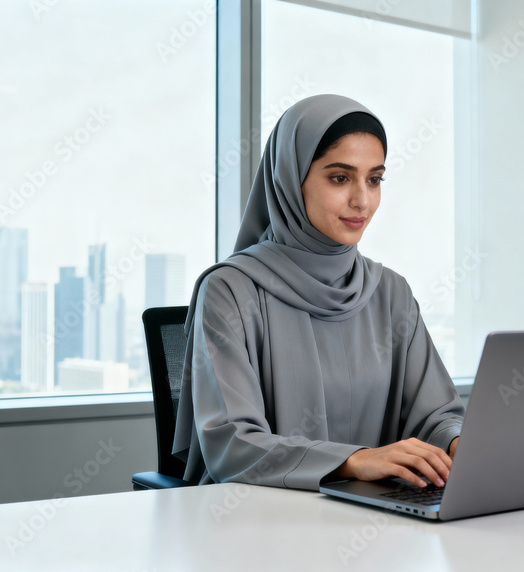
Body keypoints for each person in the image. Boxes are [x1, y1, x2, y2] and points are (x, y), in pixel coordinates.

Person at [172, 94, 463, 492]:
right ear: (290, 180)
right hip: (256, 515)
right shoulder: (230, 291)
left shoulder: (391, 292)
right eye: (340, 178)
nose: (362, 200)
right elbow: (233, 443)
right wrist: (354, 461)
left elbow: (435, 415)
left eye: (374, 179)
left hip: (373, 514)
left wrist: (457, 442)